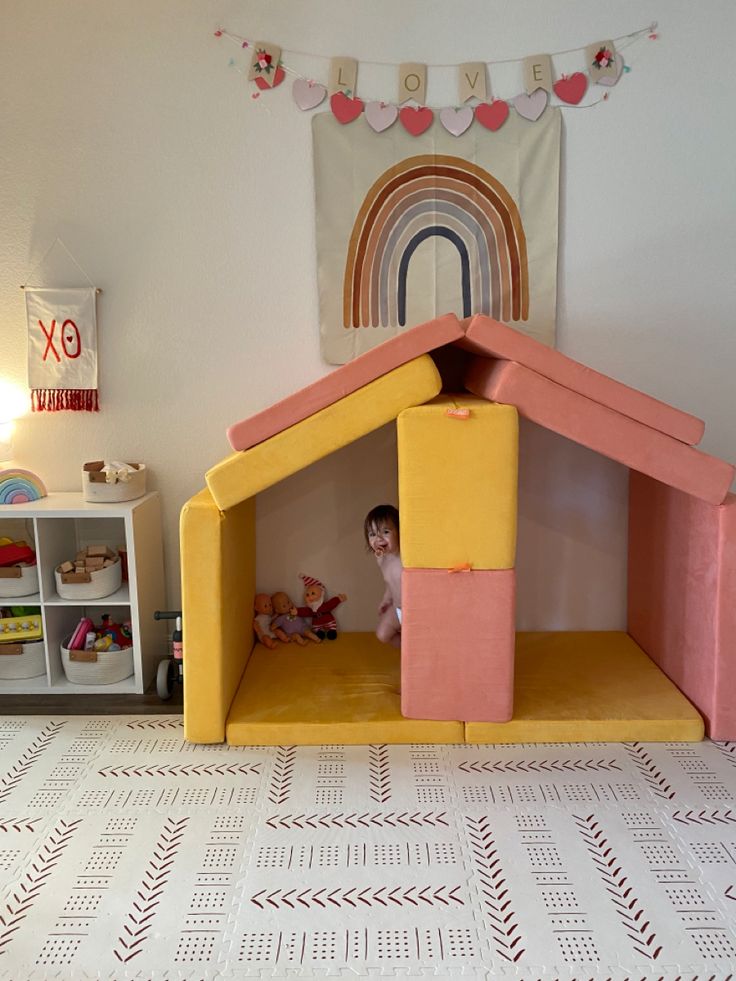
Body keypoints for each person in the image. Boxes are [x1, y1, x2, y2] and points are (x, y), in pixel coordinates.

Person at [364, 504, 402, 648]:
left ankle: (413, 655)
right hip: (397, 608)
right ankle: (406, 651)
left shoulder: (405, 558)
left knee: (415, 640)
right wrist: (386, 599)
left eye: (385, 532)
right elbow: (390, 582)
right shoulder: (381, 559)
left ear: (399, 532)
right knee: (383, 634)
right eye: (372, 534)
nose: (378, 539)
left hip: (414, 611)